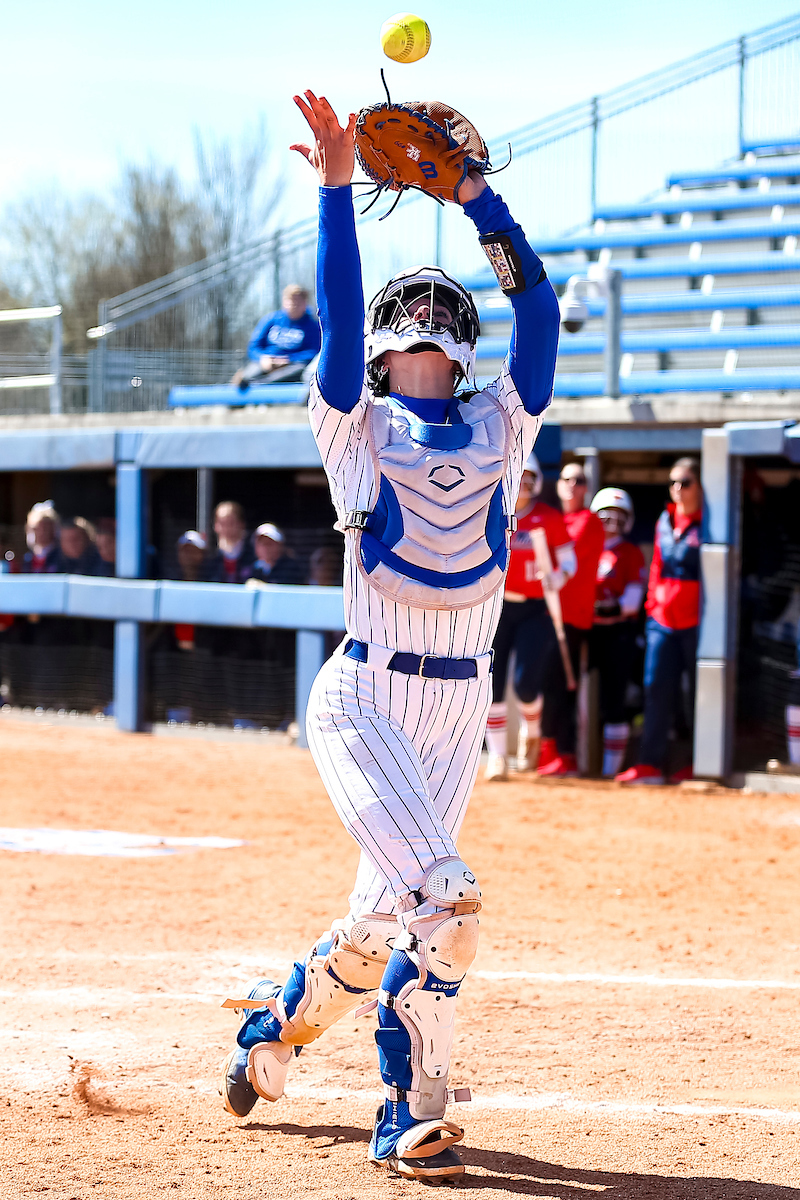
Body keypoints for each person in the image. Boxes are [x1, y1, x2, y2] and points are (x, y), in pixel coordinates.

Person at [220, 90, 560, 1182]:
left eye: (440, 308)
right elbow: (333, 311)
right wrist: (331, 188)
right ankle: (405, 1116)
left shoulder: (504, 421)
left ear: (460, 345)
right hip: (365, 698)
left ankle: (274, 1025)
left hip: (459, 702)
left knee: (379, 932)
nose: (423, 315)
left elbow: (540, 307)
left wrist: (474, 198)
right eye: (405, 308)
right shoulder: (350, 422)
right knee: (446, 910)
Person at [483, 452, 576, 780]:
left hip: (535, 608)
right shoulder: (492, 513)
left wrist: (557, 576)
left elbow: (569, 562)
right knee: (490, 683)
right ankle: (496, 757)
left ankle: (531, 732)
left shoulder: (548, 518)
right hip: (497, 606)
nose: (523, 484)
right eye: (519, 477)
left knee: (525, 683)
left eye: (530, 478)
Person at [616, 457, 703, 785]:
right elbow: (656, 568)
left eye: (686, 482)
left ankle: (699, 763)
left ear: (700, 486)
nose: (678, 489)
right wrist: (652, 608)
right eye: (673, 483)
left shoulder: (711, 521)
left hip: (697, 625)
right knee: (655, 690)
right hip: (662, 623)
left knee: (697, 696)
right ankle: (650, 764)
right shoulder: (665, 520)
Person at [538, 463, 604, 777]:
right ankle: (551, 750)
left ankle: (564, 754)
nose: (572, 485)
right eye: (567, 479)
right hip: (550, 615)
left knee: (565, 685)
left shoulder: (588, 521)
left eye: (579, 480)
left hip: (573, 617)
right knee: (550, 684)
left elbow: (567, 560)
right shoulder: (556, 520)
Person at [588, 488, 647, 777]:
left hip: (618, 634)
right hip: (587, 634)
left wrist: (604, 607)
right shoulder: (586, 548)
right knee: (576, 696)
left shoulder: (631, 553)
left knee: (615, 699)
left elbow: (631, 602)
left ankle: (610, 772)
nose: (611, 523)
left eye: (618, 517)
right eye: (605, 517)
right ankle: (576, 760)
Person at [232, 284, 322, 391]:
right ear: (284, 301)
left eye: (299, 301)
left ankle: (260, 385)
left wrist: (288, 360)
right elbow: (253, 347)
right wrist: (263, 359)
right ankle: (243, 384)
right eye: (291, 300)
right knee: (249, 374)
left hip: (292, 364)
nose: (294, 305)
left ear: (305, 303)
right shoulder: (271, 319)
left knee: (297, 370)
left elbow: (313, 351)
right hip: (266, 361)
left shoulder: (312, 325)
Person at [204, 501, 255, 584]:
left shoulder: (254, 558)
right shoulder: (210, 560)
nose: (226, 528)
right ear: (215, 526)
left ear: (242, 524)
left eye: (231, 523)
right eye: (222, 523)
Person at [22, 502, 63, 573]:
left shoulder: (61, 558)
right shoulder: (27, 560)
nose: (41, 533)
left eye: (45, 528)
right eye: (37, 529)